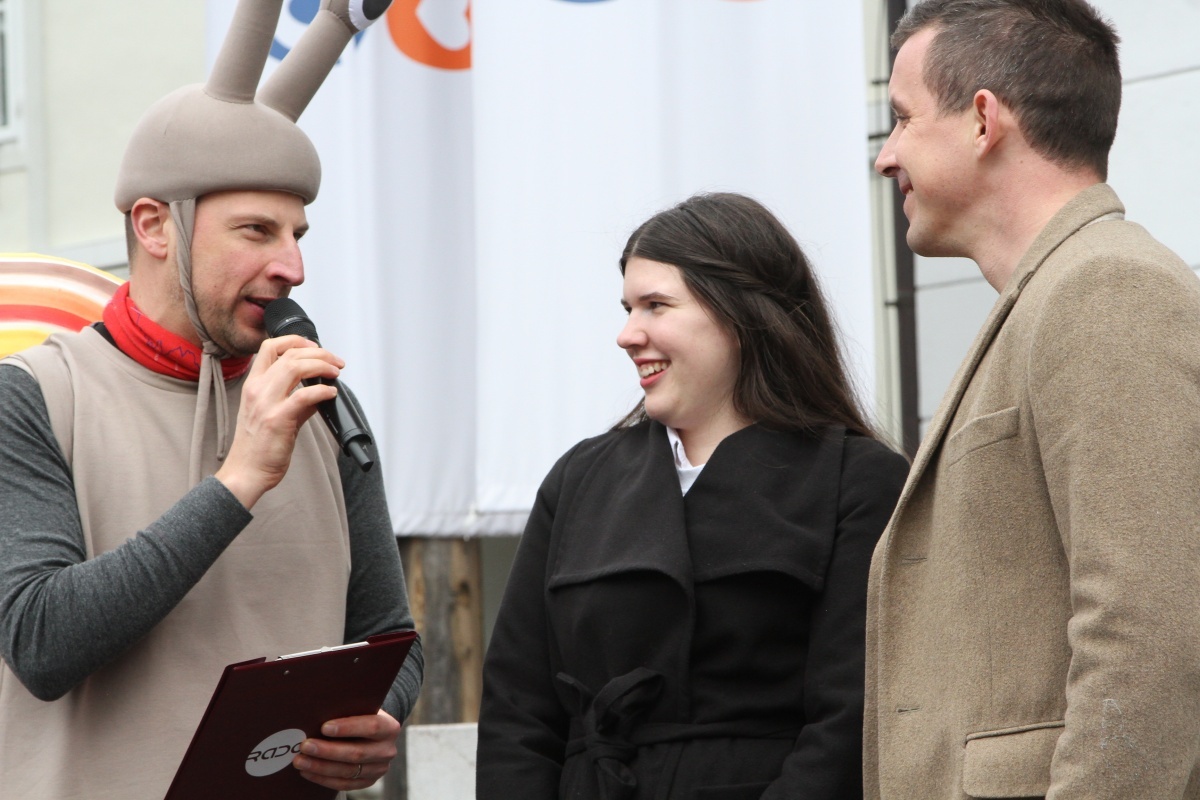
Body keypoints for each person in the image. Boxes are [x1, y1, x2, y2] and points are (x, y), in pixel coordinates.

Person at [0, 2, 422, 798]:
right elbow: (42, 642)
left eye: (299, 234)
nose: (293, 265)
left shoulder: (324, 403)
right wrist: (239, 479)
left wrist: (377, 721)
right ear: (155, 226)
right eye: (258, 232)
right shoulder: (32, 397)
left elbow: (390, 636)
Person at [866, 1, 1200, 797]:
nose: (886, 157)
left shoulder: (1107, 288)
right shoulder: (1058, 293)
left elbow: (1148, 637)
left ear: (984, 120)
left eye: (904, 119)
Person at [476, 192, 909, 799]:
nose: (627, 334)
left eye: (656, 305)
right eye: (628, 307)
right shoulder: (579, 481)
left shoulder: (857, 480)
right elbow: (517, 715)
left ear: (742, 314)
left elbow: (851, 717)